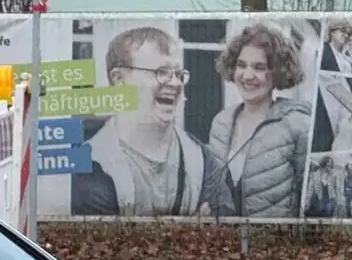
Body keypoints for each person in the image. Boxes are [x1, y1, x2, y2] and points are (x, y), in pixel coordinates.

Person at [70, 25, 232, 217]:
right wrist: (189, 230)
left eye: (179, 74)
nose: (175, 83)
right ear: (119, 79)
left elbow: (224, 234)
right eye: (161, 72)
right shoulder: (89, 162)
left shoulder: (202, 160)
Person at [207, 21, 313, 218]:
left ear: (277, 71)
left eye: (259, 67)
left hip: (272, 245)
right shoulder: (220, 123)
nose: (247, 76)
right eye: (241, 65)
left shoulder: (297, 125)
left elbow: (308, 203)